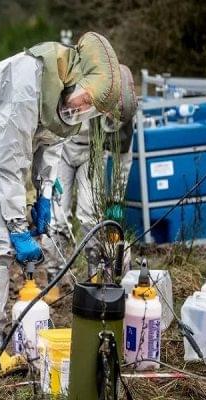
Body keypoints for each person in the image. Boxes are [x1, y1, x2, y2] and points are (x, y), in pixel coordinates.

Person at [0, 32, 121, 374]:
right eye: (85, 100)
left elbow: (51, 145)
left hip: (3, 144)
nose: (82, 109)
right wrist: (17, 226)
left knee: (4, 235)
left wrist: (43, 196)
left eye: (90, 108)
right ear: (78, 74)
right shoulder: (30, 80)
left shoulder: (67, 101)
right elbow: (9, 162)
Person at [45, 64, 138, 284]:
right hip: (62, 149)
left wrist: (116, 200)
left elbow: (123, 160)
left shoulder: (125, 116)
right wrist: (46, 169)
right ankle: (54, 277)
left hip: (92, 154)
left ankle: (94, 276)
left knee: (89, 216)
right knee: (58, 218)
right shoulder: (78, 87)